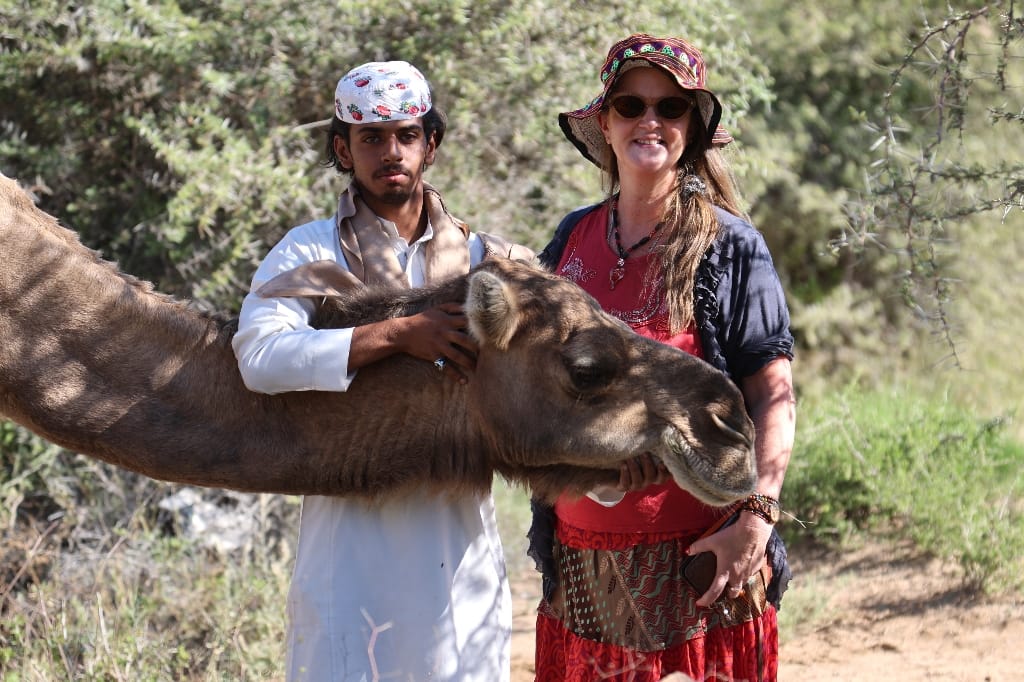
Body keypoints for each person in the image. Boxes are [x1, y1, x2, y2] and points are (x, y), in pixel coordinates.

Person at [233, 61, 523, 682]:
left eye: (406, 135)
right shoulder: (310, 249)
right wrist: (396, 334)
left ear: (431, 145)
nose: (390, 151)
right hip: (349, 541)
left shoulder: (487, 258)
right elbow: (258, 357)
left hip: (457, 543)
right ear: (344, 148)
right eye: (370, 137)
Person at [528, 34, 797, 681]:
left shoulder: (728, 246)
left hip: (702, 570)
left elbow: (772, 393)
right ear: (607, 122)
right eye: (631, 104)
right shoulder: (570, 238)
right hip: (585, 573)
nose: (650, 120)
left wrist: (755, 521)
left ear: (692, 129)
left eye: (670, 107)